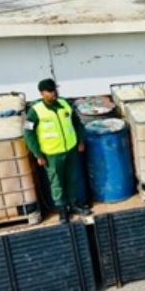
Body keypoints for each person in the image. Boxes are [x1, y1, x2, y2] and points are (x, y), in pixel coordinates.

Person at [24, 79, 90, 223]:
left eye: (55, 89)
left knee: (72, 179)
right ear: (42, 93)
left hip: (71, 150)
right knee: (57, 183)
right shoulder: (35, 111)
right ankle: (62, 210)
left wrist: (80, 141)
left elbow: (77, 123)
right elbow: (28, 133)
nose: (54, 93)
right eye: (50, 91)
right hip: (52, 154)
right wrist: (38, 154)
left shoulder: (65, 104)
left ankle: (74, 205)